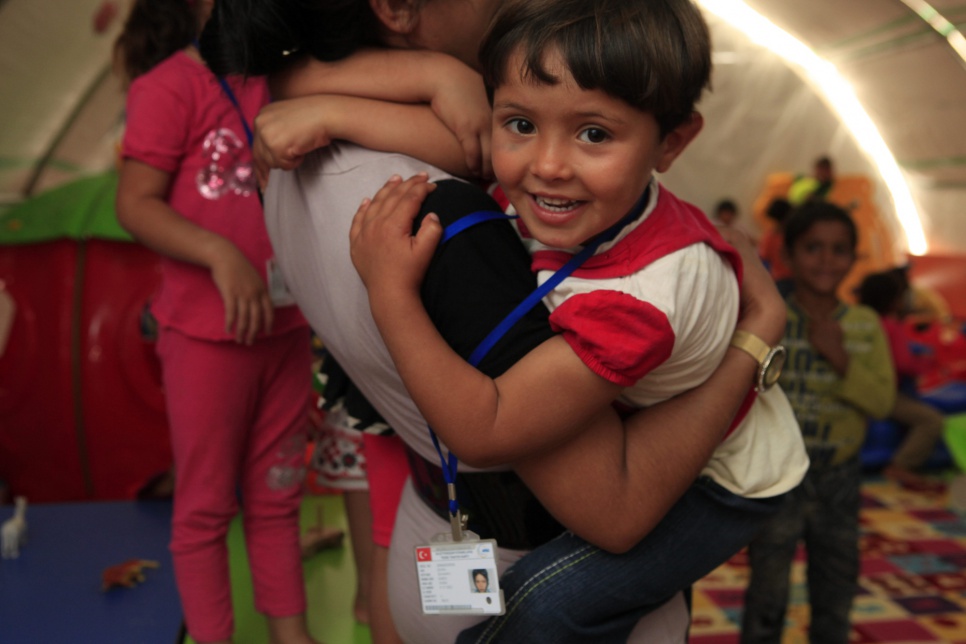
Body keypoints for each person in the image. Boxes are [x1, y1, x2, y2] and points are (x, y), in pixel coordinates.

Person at [201, 0, 790, 641]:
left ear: (671, 141)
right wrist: (754, 340)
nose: (547, 164)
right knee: (545, 612)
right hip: (518, 544)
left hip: (444, 523)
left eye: (594, 133)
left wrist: (384, 92)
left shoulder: (297, 165)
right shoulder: (443, 217)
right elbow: (609, 506)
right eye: (519, 124)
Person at [113, 2, 316, 643]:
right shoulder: (168, 86)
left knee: (278, 494)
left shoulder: (289, 74)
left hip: (285, 328)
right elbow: (134, 204)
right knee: (204, 507)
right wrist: (219, 252)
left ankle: (291, 635)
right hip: (205, 336)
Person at [741, 202, 896, 644]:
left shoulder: (864, 324)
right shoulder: (771, 318)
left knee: (836, 589)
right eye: (813, 248)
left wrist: (841, 356)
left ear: (853, 257)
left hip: (840, 481)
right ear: (788, 254)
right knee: (767, 594)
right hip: (778, 479)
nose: (827, 260)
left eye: (839, 249)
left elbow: (884, 402)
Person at [857, 270, 945, 489]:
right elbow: (903, 363)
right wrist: (924, 364)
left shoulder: (856, 321)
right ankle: (902, 465)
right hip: (883, 394)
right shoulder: (890, 327)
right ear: (894, 301)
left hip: (858, 387)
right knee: (931, 420)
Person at [757, 197, 794, 296]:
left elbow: (764, 258)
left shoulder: (769, 237)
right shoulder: (795, 236)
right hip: (794, 281)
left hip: (779, 280)